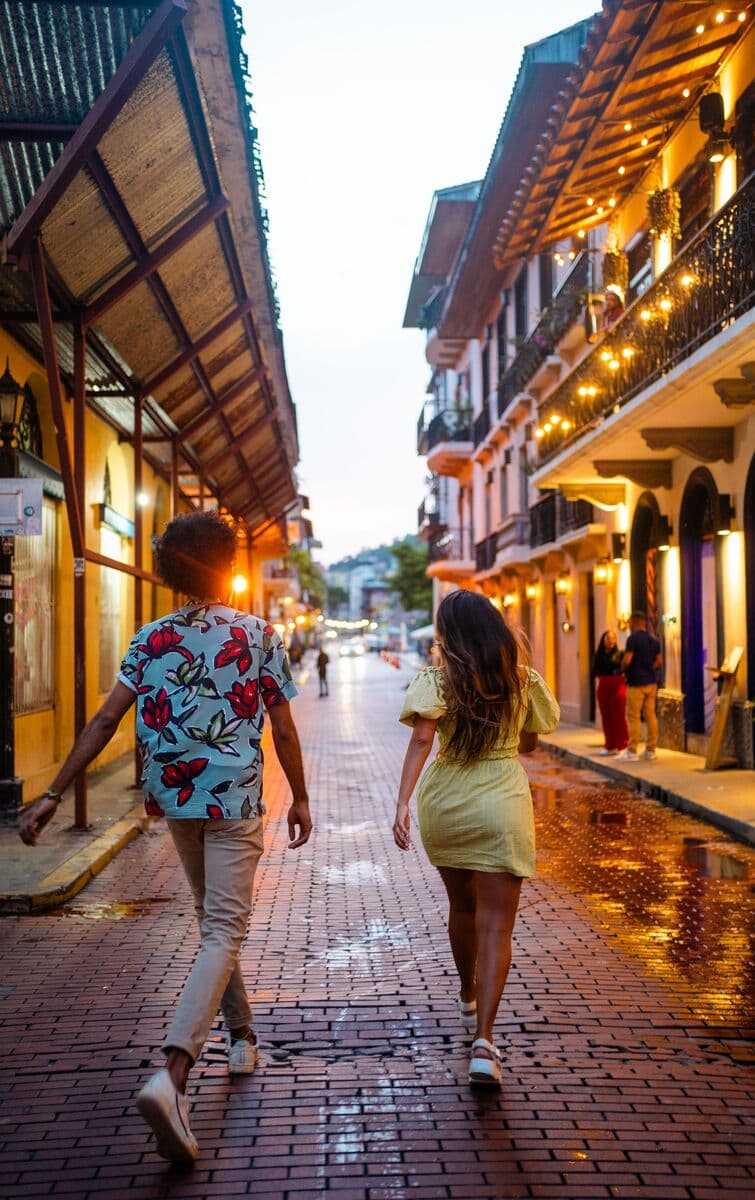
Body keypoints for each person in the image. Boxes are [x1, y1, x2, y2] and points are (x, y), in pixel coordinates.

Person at [19, 510, 312, 1165]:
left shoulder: (149, 639)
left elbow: (103, 720)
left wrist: (53, 793)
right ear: (227, 564)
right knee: (224, 928)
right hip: (234, 799)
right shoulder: (257, 634)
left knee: (213, 922)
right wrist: (300, 797)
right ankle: (173, 1075)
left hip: (177, 799)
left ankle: (242, 1037)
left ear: (171, 571)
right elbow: (284, 727)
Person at [392, 591, 559, 1088]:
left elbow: (422, 740)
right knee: (496, 926)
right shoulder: (521, 681)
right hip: (500, 804)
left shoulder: (438, 680)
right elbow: (531, 742)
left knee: (461, 908)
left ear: (448, 634)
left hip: (446, 803)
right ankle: (485, 1042)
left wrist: (401, 803)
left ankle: (466, 997)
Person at [617, 610, 662, 762]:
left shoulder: (632, 639)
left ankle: (632, 750)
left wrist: (622, 668)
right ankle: (651, 750)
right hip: (651, 682)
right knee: (651, 715)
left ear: (635, 622)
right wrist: (649, 669)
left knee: (634, 716)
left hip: (636, 683)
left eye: (630, 622)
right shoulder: (653, 639)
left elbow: (628, 659)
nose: (629, 625)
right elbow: (659, 661)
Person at [593, 630, 629, 755]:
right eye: (608, 638)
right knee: (606, 717)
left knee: (619, 715)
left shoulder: (620, 654)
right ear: (604, 640)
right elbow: (595, 670)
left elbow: (624, 668)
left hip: (618, 685)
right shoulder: (599, 655)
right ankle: (609, 745)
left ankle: (622, 745)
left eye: (613, 638)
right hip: (604, 685)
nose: (611, 641)